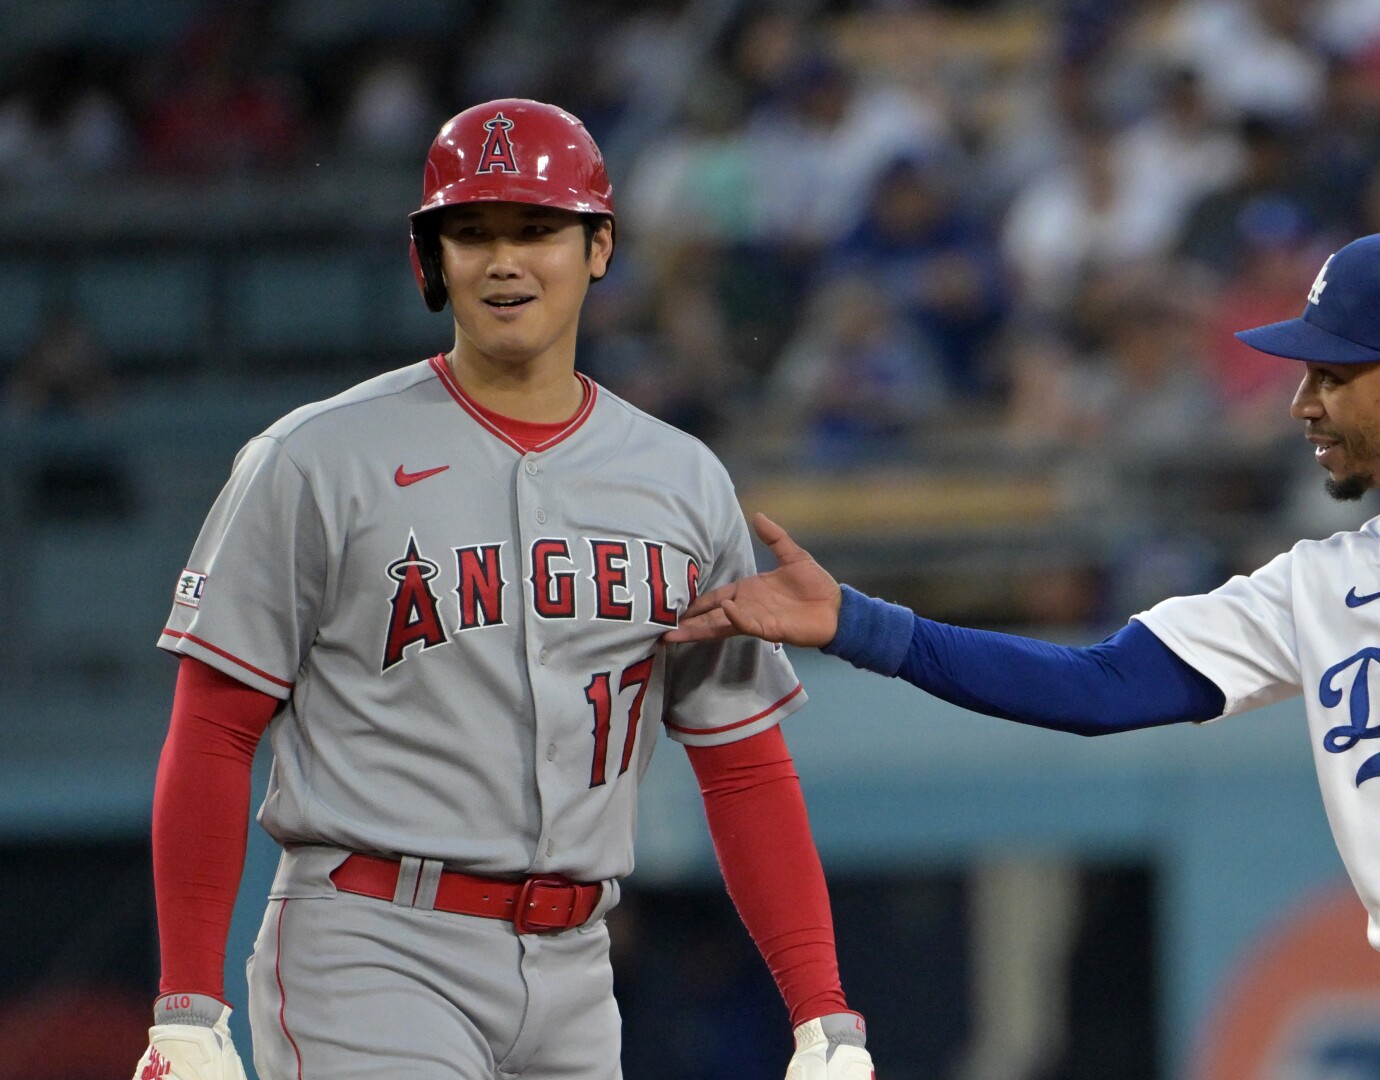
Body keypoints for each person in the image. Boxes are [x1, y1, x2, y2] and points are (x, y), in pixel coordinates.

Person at [666, 230, 1380, 1080]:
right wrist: (861, 624)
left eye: (1332, 375)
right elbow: (1100, 688)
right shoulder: (1324, 581)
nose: (1300, 402)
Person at [134, 99, 874, 1080]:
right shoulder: (316, 459)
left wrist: (822, 1012)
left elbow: (740, 762)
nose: (504, 260)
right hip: (371, 945)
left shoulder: (684, 480)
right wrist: (188, 1003)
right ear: (429, 260)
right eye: (471, 233)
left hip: (577, 964)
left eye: (536, 229)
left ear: (599, 247)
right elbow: (216, 727)